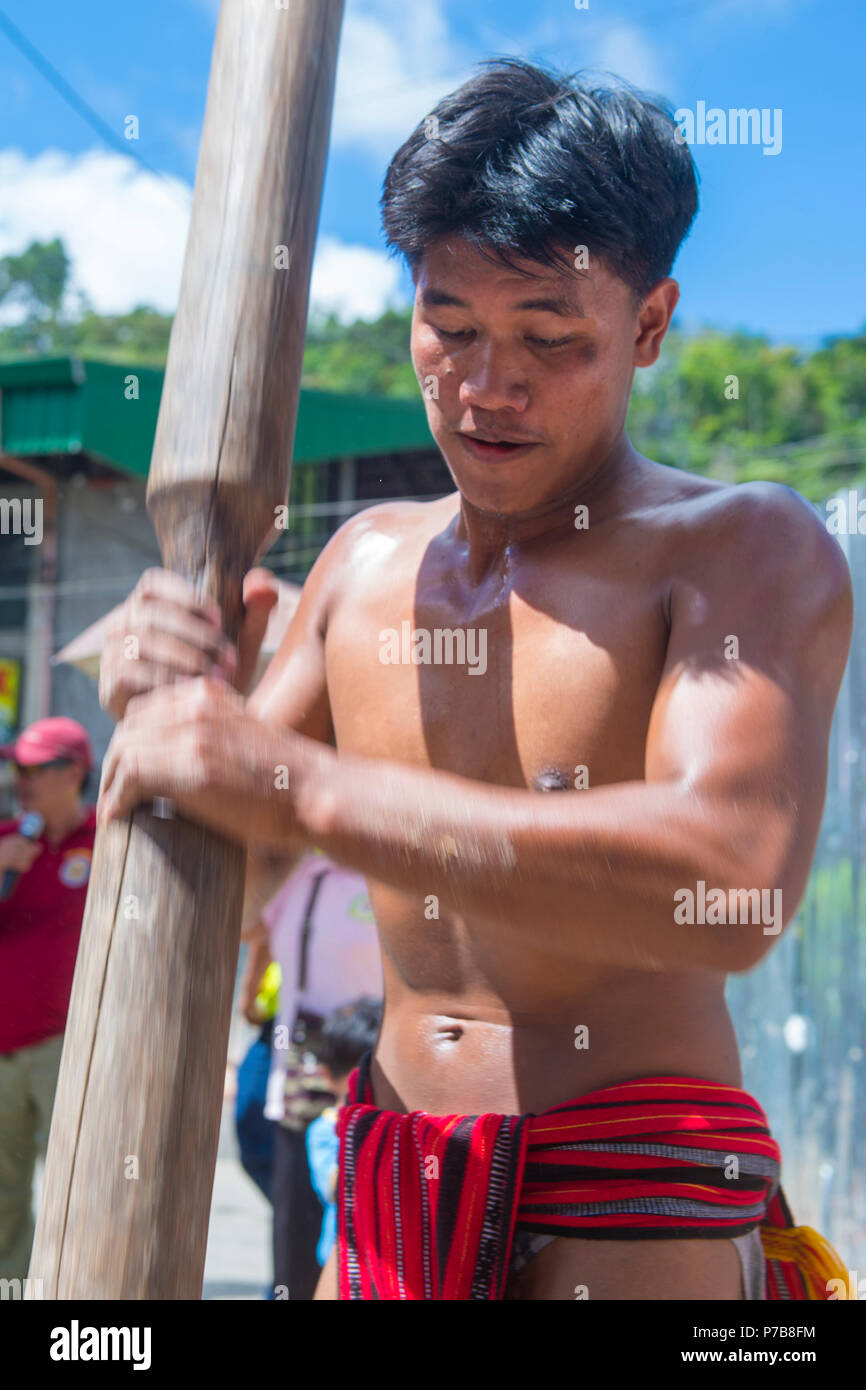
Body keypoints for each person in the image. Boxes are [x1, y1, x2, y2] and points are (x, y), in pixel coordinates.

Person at [96, 59, 853, 1300]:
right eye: (448, 330)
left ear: (649, 326)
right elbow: (231, 884)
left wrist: (296, 785)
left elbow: (727, 876)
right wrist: (176, 712)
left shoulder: (739, 547)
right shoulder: (358, 563)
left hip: (626, 1200)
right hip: (392, 1187)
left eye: (547, 339)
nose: (486, 386)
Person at [240, 852, 381, 1300]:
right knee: (296, 1245)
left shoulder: (394, 870)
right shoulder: (301, 869)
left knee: (370, 1238)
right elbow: (246, 925)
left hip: (378, 1085)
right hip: (302, 1079)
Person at [0, 717, 96, 1279]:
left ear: (75, 772)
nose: (20, 780)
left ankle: (69, 1302)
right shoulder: (8, 838)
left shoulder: (108, 843)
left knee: (70, 1187)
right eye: (16, 768)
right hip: (2, 1053)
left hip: (65, 1048)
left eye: (33, 769)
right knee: (3, 1201)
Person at [304, 998, 383, 1270]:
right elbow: (334, 1189)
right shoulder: (323, 1131)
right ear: (329, 1076)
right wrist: (359, 1133)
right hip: (343, 1258)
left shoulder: (393, 1123)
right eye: (362, 1078)